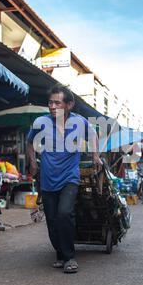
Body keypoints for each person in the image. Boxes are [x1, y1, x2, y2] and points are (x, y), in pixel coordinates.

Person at [27, 84, 102, 274]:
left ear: (69, 105)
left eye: (57, 103)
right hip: (47, 178)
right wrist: (32, 163)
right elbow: (29, 142)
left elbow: (93, 135)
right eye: (50, 103)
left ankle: (69, 258)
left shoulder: (79, 122)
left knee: (64, 213)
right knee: (52, 220)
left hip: (70, 177)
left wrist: (95, 155)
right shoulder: (40, 122)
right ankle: (60, 255)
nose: (52, 106)